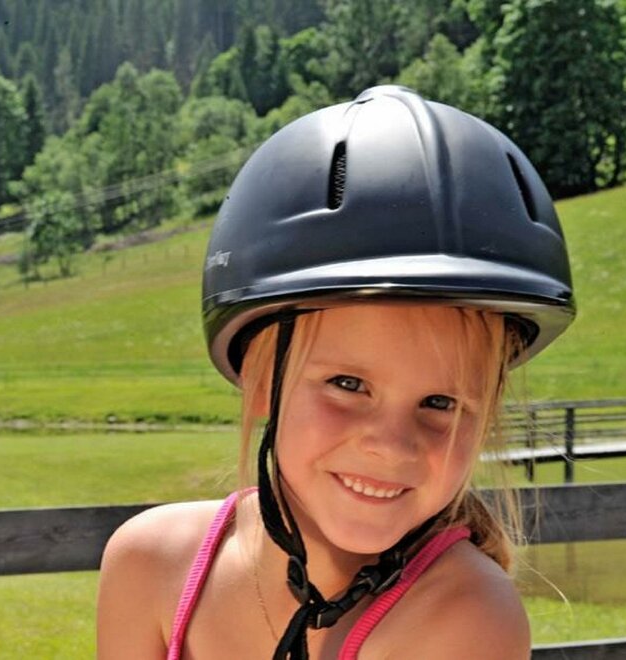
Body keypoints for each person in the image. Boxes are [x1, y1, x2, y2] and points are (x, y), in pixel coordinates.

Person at [97, 86, 575, 659]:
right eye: (348, 385)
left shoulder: (468, 618)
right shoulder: (150, 564)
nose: (391, 446)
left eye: (440, 402)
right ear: (261, 381)